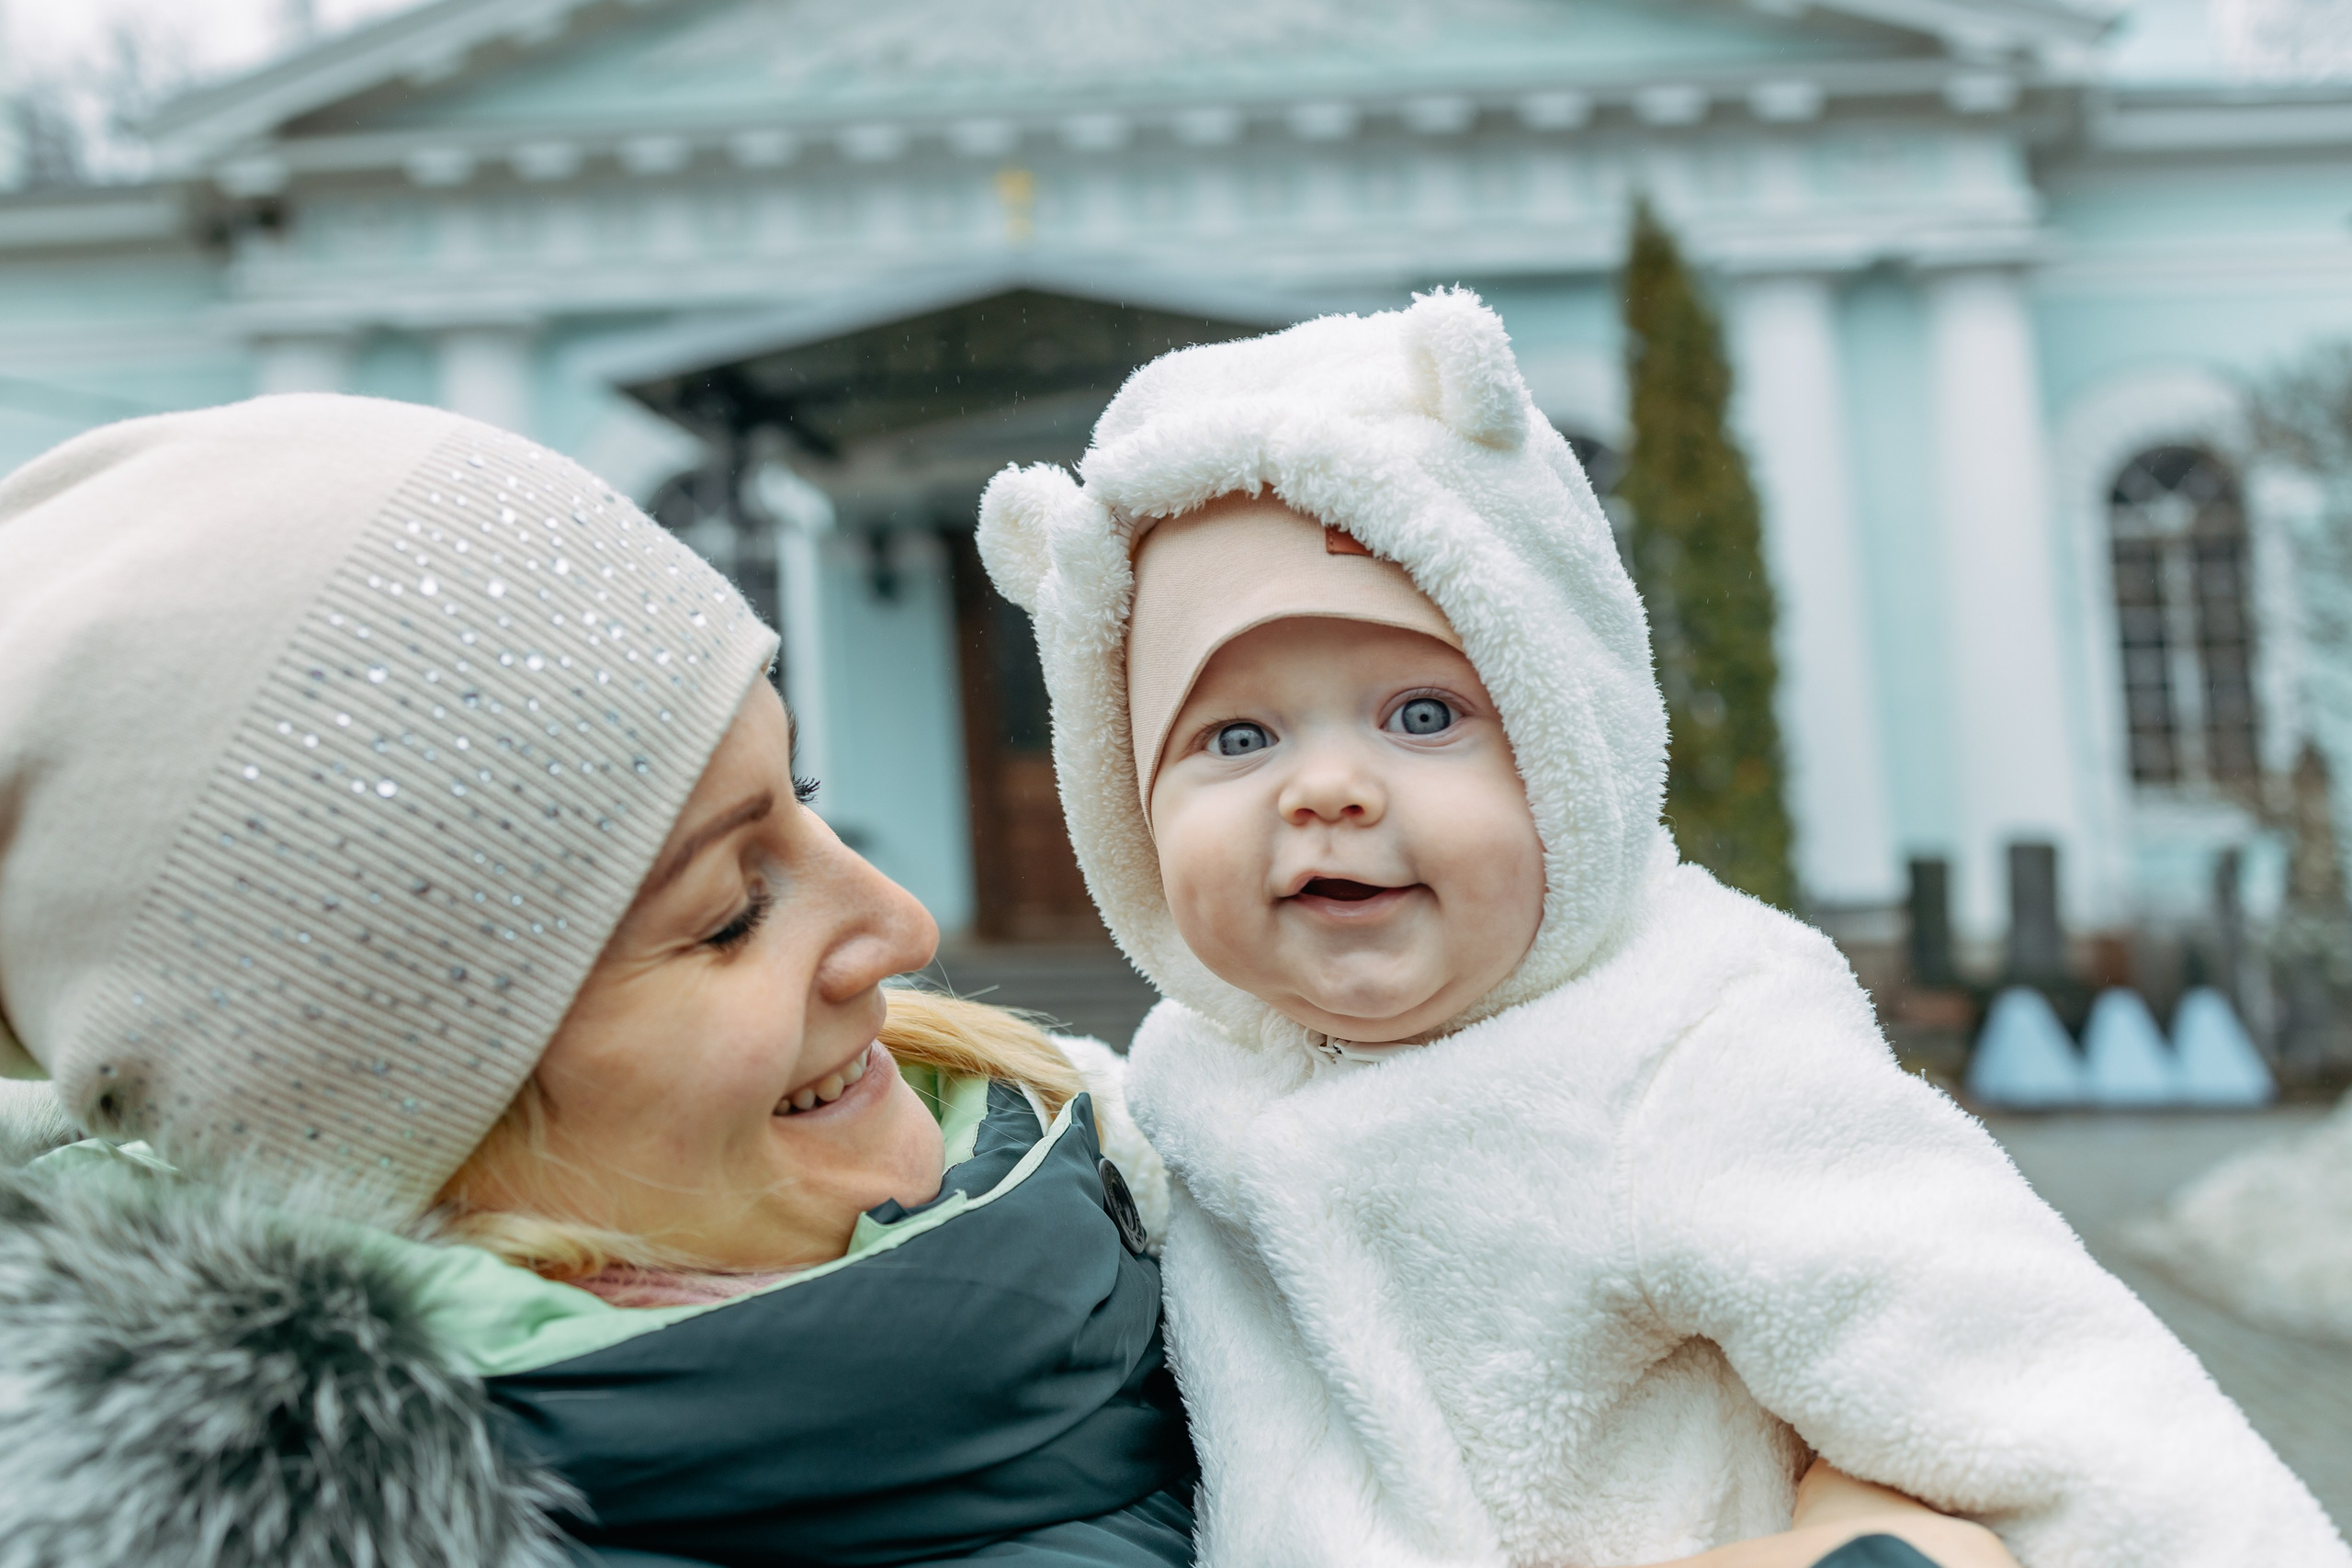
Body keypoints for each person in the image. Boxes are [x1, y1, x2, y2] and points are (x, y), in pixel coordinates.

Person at [0, 394, 2007, 1568]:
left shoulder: (1118, 1163)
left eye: (808, 804)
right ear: (397, 1101)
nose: (895, 920)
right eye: (726, 911)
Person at [974, 290, 2349, 1568]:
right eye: (1236, 736)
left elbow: (2060, 1402)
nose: (1326, 788)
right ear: (1129, 812)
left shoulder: (1691, 1047)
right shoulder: (1179, 1092)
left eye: (1424, 715)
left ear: (1568, 745)